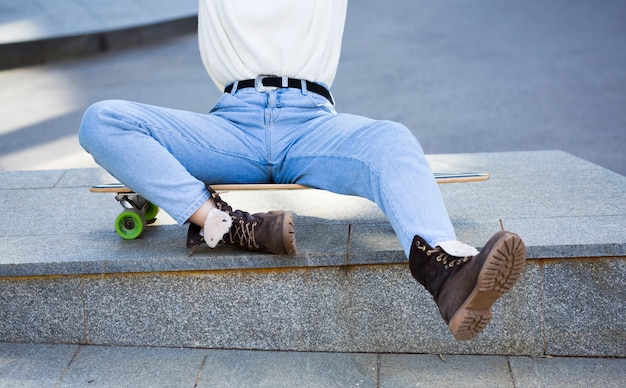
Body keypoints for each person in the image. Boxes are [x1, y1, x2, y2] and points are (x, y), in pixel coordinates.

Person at [79, 0, 526, 341]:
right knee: (104, 119)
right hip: (230, 127)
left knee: (391, 140)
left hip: (311, 124)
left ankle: (446, 272)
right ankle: (221, 223)